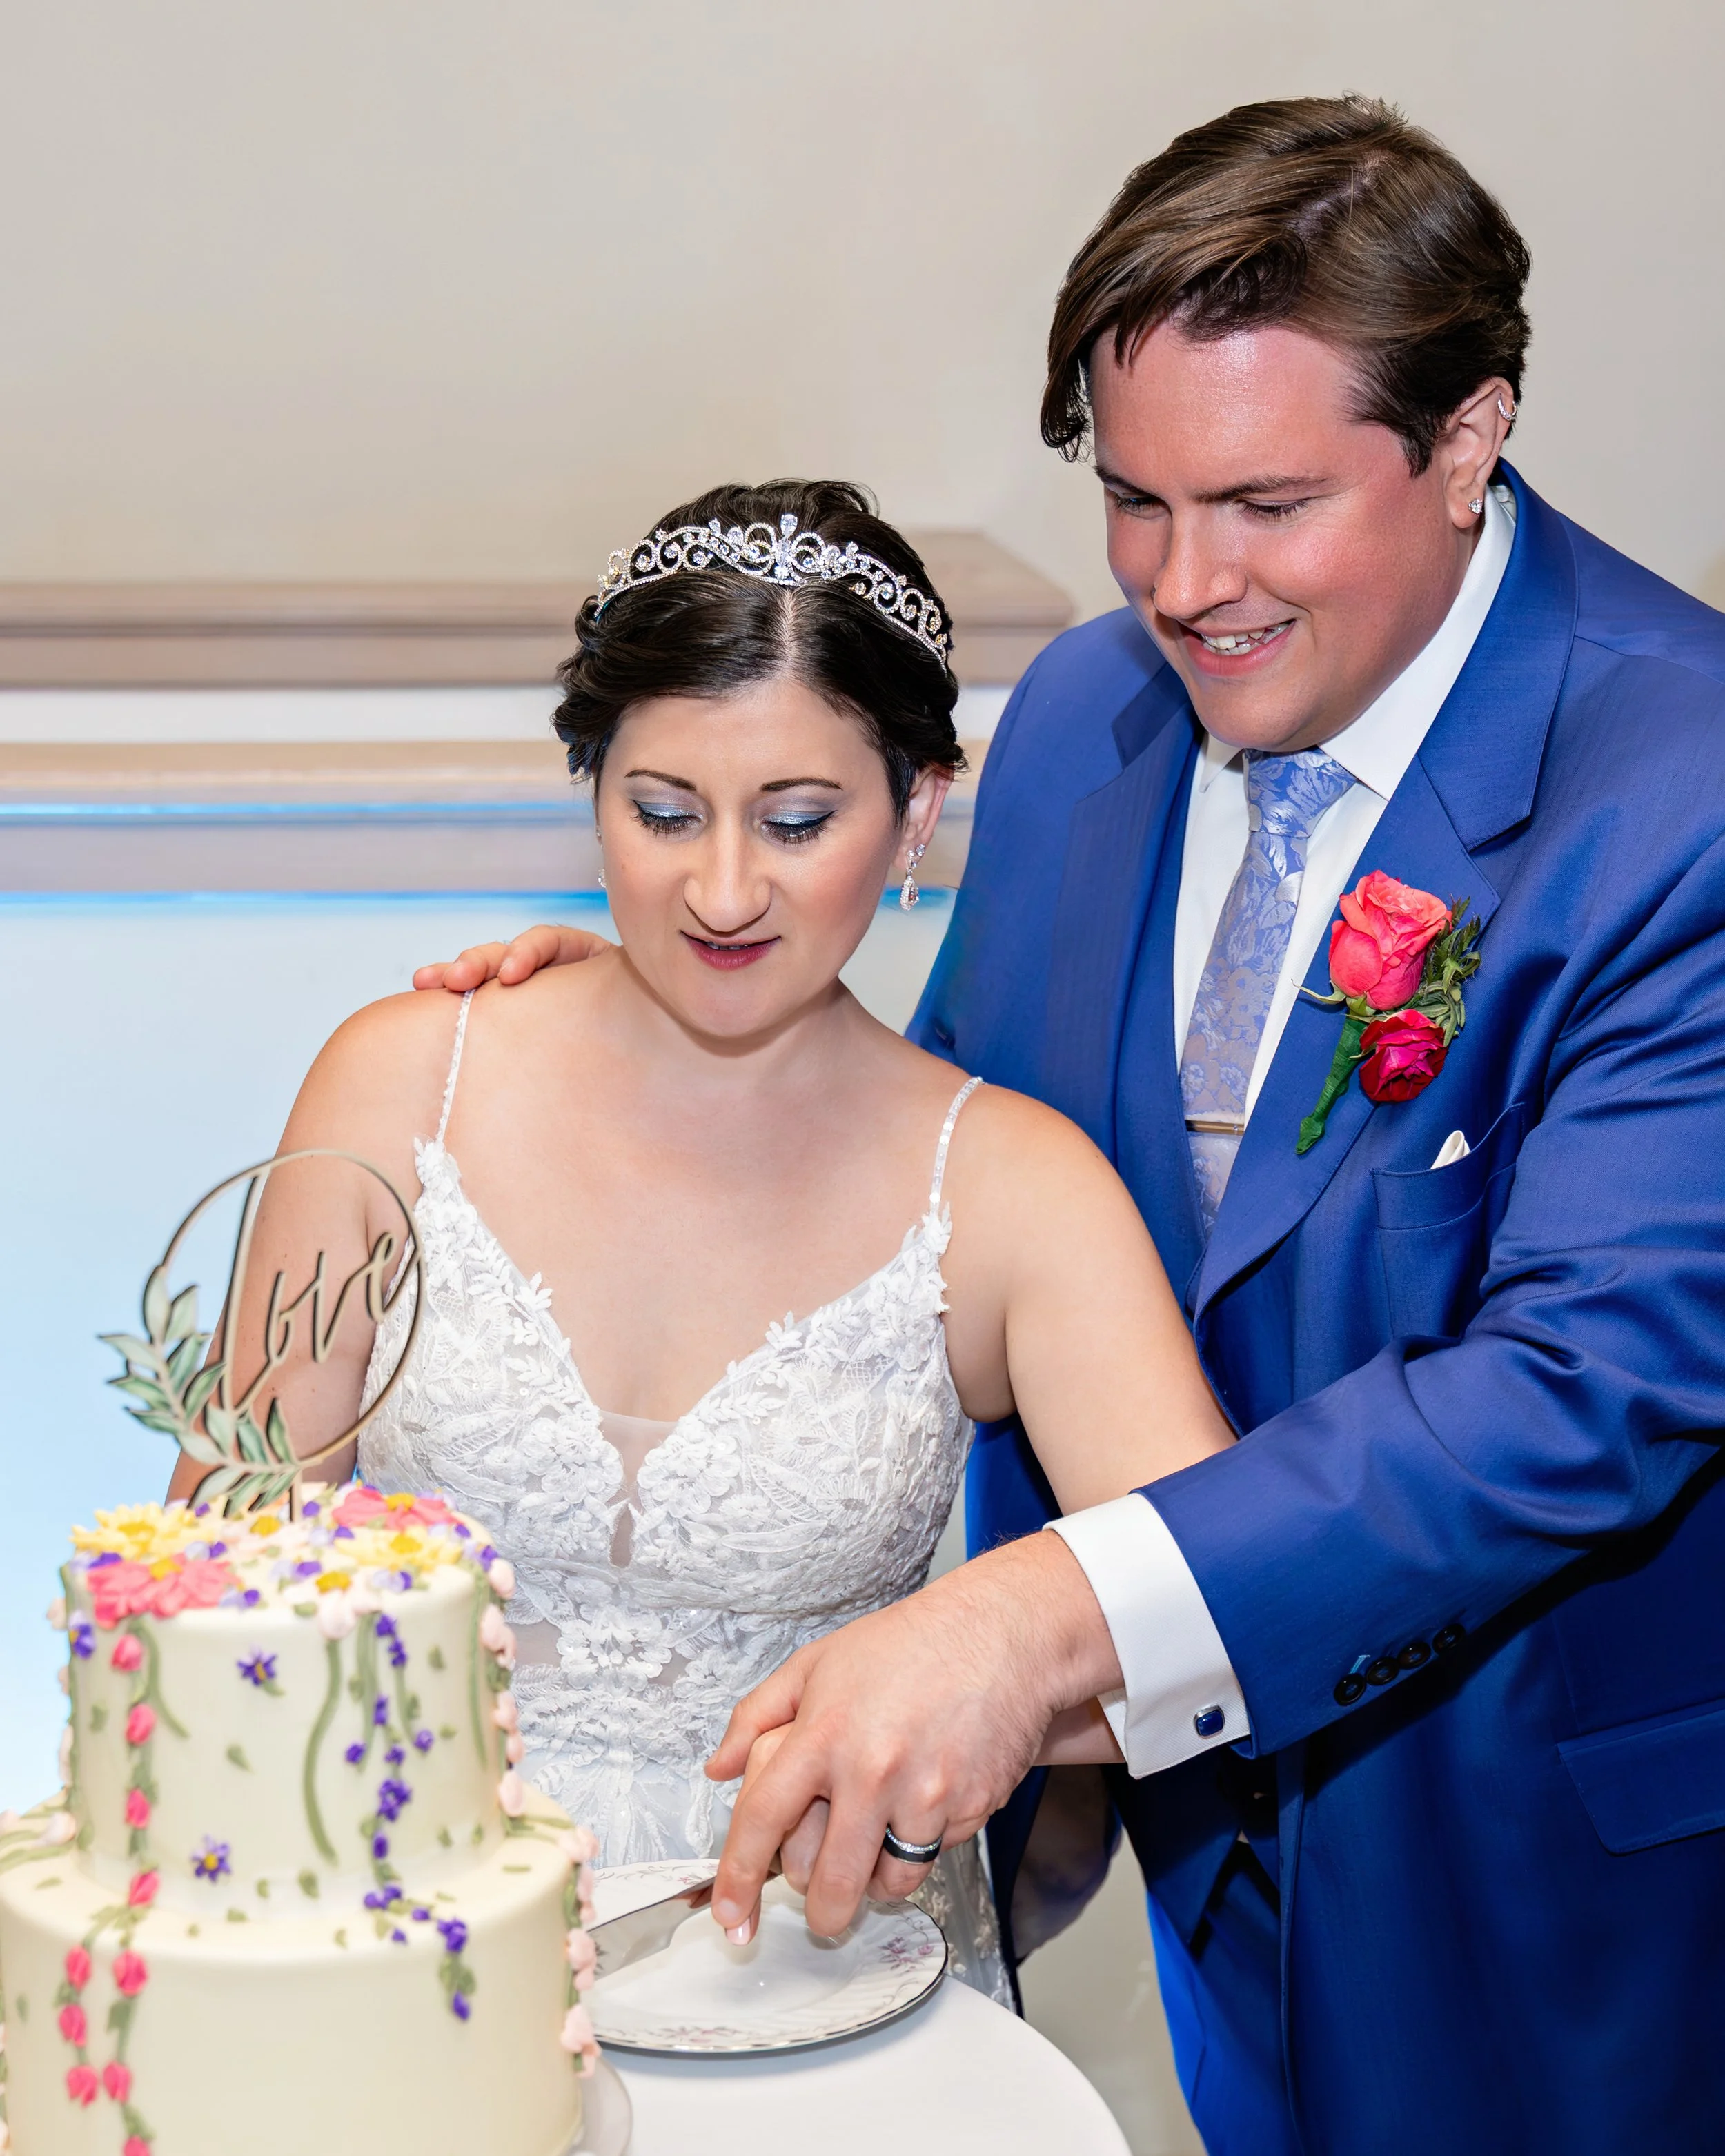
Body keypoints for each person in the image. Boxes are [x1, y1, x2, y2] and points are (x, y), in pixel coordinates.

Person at [430, 99, 1725, 2156]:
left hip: (1548, 1886)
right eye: (1135, 500)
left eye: (1265, 503)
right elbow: (938, 1156)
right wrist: (671, 1004)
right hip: (1198, 1866)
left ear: (1467, 437)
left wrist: (1036, 1619)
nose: (1184, 586)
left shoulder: (1679, 782)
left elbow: (1591, 1379)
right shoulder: (1084, 725)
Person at [188, 478, 1234, 2006]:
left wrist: (967, 1701)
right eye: (663, 812)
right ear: (591, 787)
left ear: (918, 809)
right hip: (399, 1944)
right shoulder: (402, 1080)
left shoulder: (1012, 1187)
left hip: (818, 1966)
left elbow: (1218, 1609)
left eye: (798, 821)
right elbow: (221, 1559)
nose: (724, 890)